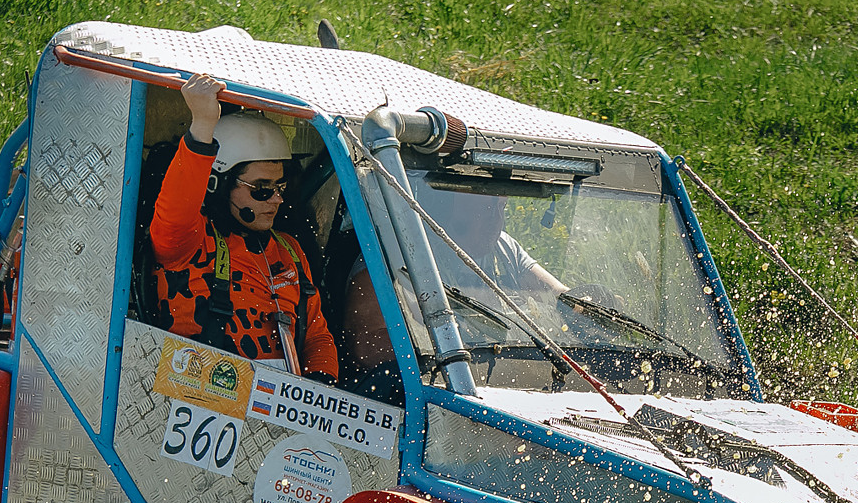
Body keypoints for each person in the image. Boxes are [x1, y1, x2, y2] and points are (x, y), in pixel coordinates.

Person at [151, 73, 337, 382]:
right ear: (219, 185)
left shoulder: (289, 249)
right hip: (202, 392)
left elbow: (317, 335)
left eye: (281, 186)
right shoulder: (188, 242)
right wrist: (202, 126)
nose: (277, 199)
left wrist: (320, 385)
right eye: (261, 189)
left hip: (282, 399)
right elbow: (177, 204)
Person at [341, 183, 565, 376]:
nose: (497, 220)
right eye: (486, 208)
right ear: (445, 205)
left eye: (501, 207)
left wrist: (578, 307)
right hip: (430, 387)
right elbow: (365, 346)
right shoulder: (398, 251)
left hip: (500, 381)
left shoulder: (504, 250)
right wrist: (450, 349)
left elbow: (560, 297)